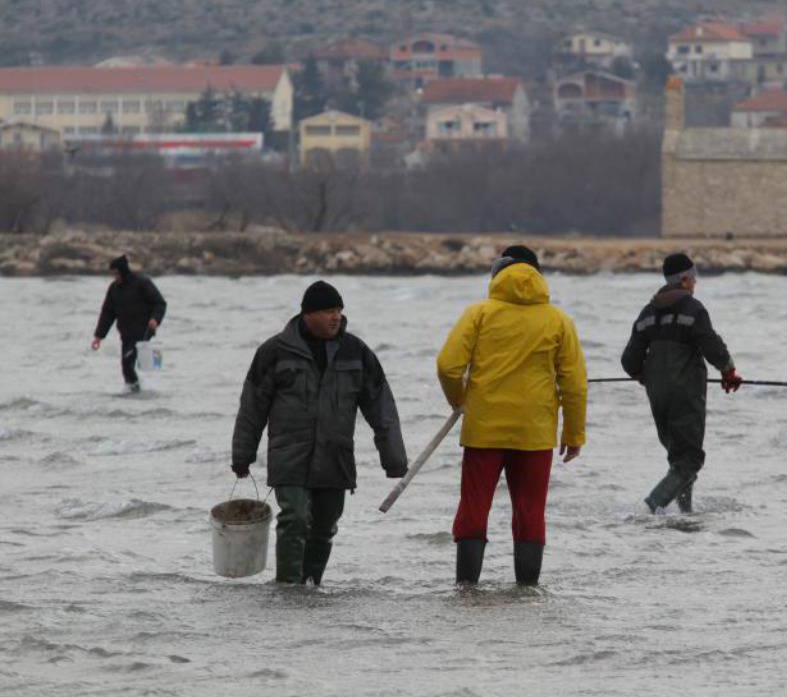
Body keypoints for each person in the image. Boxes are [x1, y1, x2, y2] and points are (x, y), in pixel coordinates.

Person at [230, 280, 408, 585]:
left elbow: (381, 408)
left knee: (325, 527)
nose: (335, 316)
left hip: (335, 456)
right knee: (294, 518)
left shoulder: (356, 352)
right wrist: (242, 455)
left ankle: (311, 586)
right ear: (307, 314)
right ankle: (288, 588)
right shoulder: (274, 351)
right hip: (289, 455)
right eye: (328, 311)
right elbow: (252, 408)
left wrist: (394, 460)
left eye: (338, 310)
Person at [437, 246, 588, 586]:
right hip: (534, 432)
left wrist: (459, 401)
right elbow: (575, 385)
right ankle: (527, 591)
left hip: (483, 429)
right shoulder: (558, 320)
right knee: (530, 511)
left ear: (497, 274)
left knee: (474, 508)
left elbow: (448, 366)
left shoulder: (479, 314)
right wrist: (574, 434)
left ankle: (466, 590)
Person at [620, 252, 742, 514]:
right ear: (685, 279)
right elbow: (712, 346)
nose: (695, 284)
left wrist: (644, 374)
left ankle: (685, 514)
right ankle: (651, 508)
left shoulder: (647, 313)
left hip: (658, 396)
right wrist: (728, 371)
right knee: (689, 461)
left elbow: (629, 362)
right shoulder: (694, 310)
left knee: (679, 459)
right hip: (685, 394)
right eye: (694, 278)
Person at [90, 255, 167, 393]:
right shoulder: (114, 289)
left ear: (123, 271)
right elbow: (107, 313)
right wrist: (98, 336)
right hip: (126, 334)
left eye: (116, 273)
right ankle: (134, 390)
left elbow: (160, 303)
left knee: (127, 362)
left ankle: (136, 391)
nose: (114, 277)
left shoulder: (142, 282)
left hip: (143, 331)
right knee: (125, 366)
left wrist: (155, 319)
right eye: (112, 274)